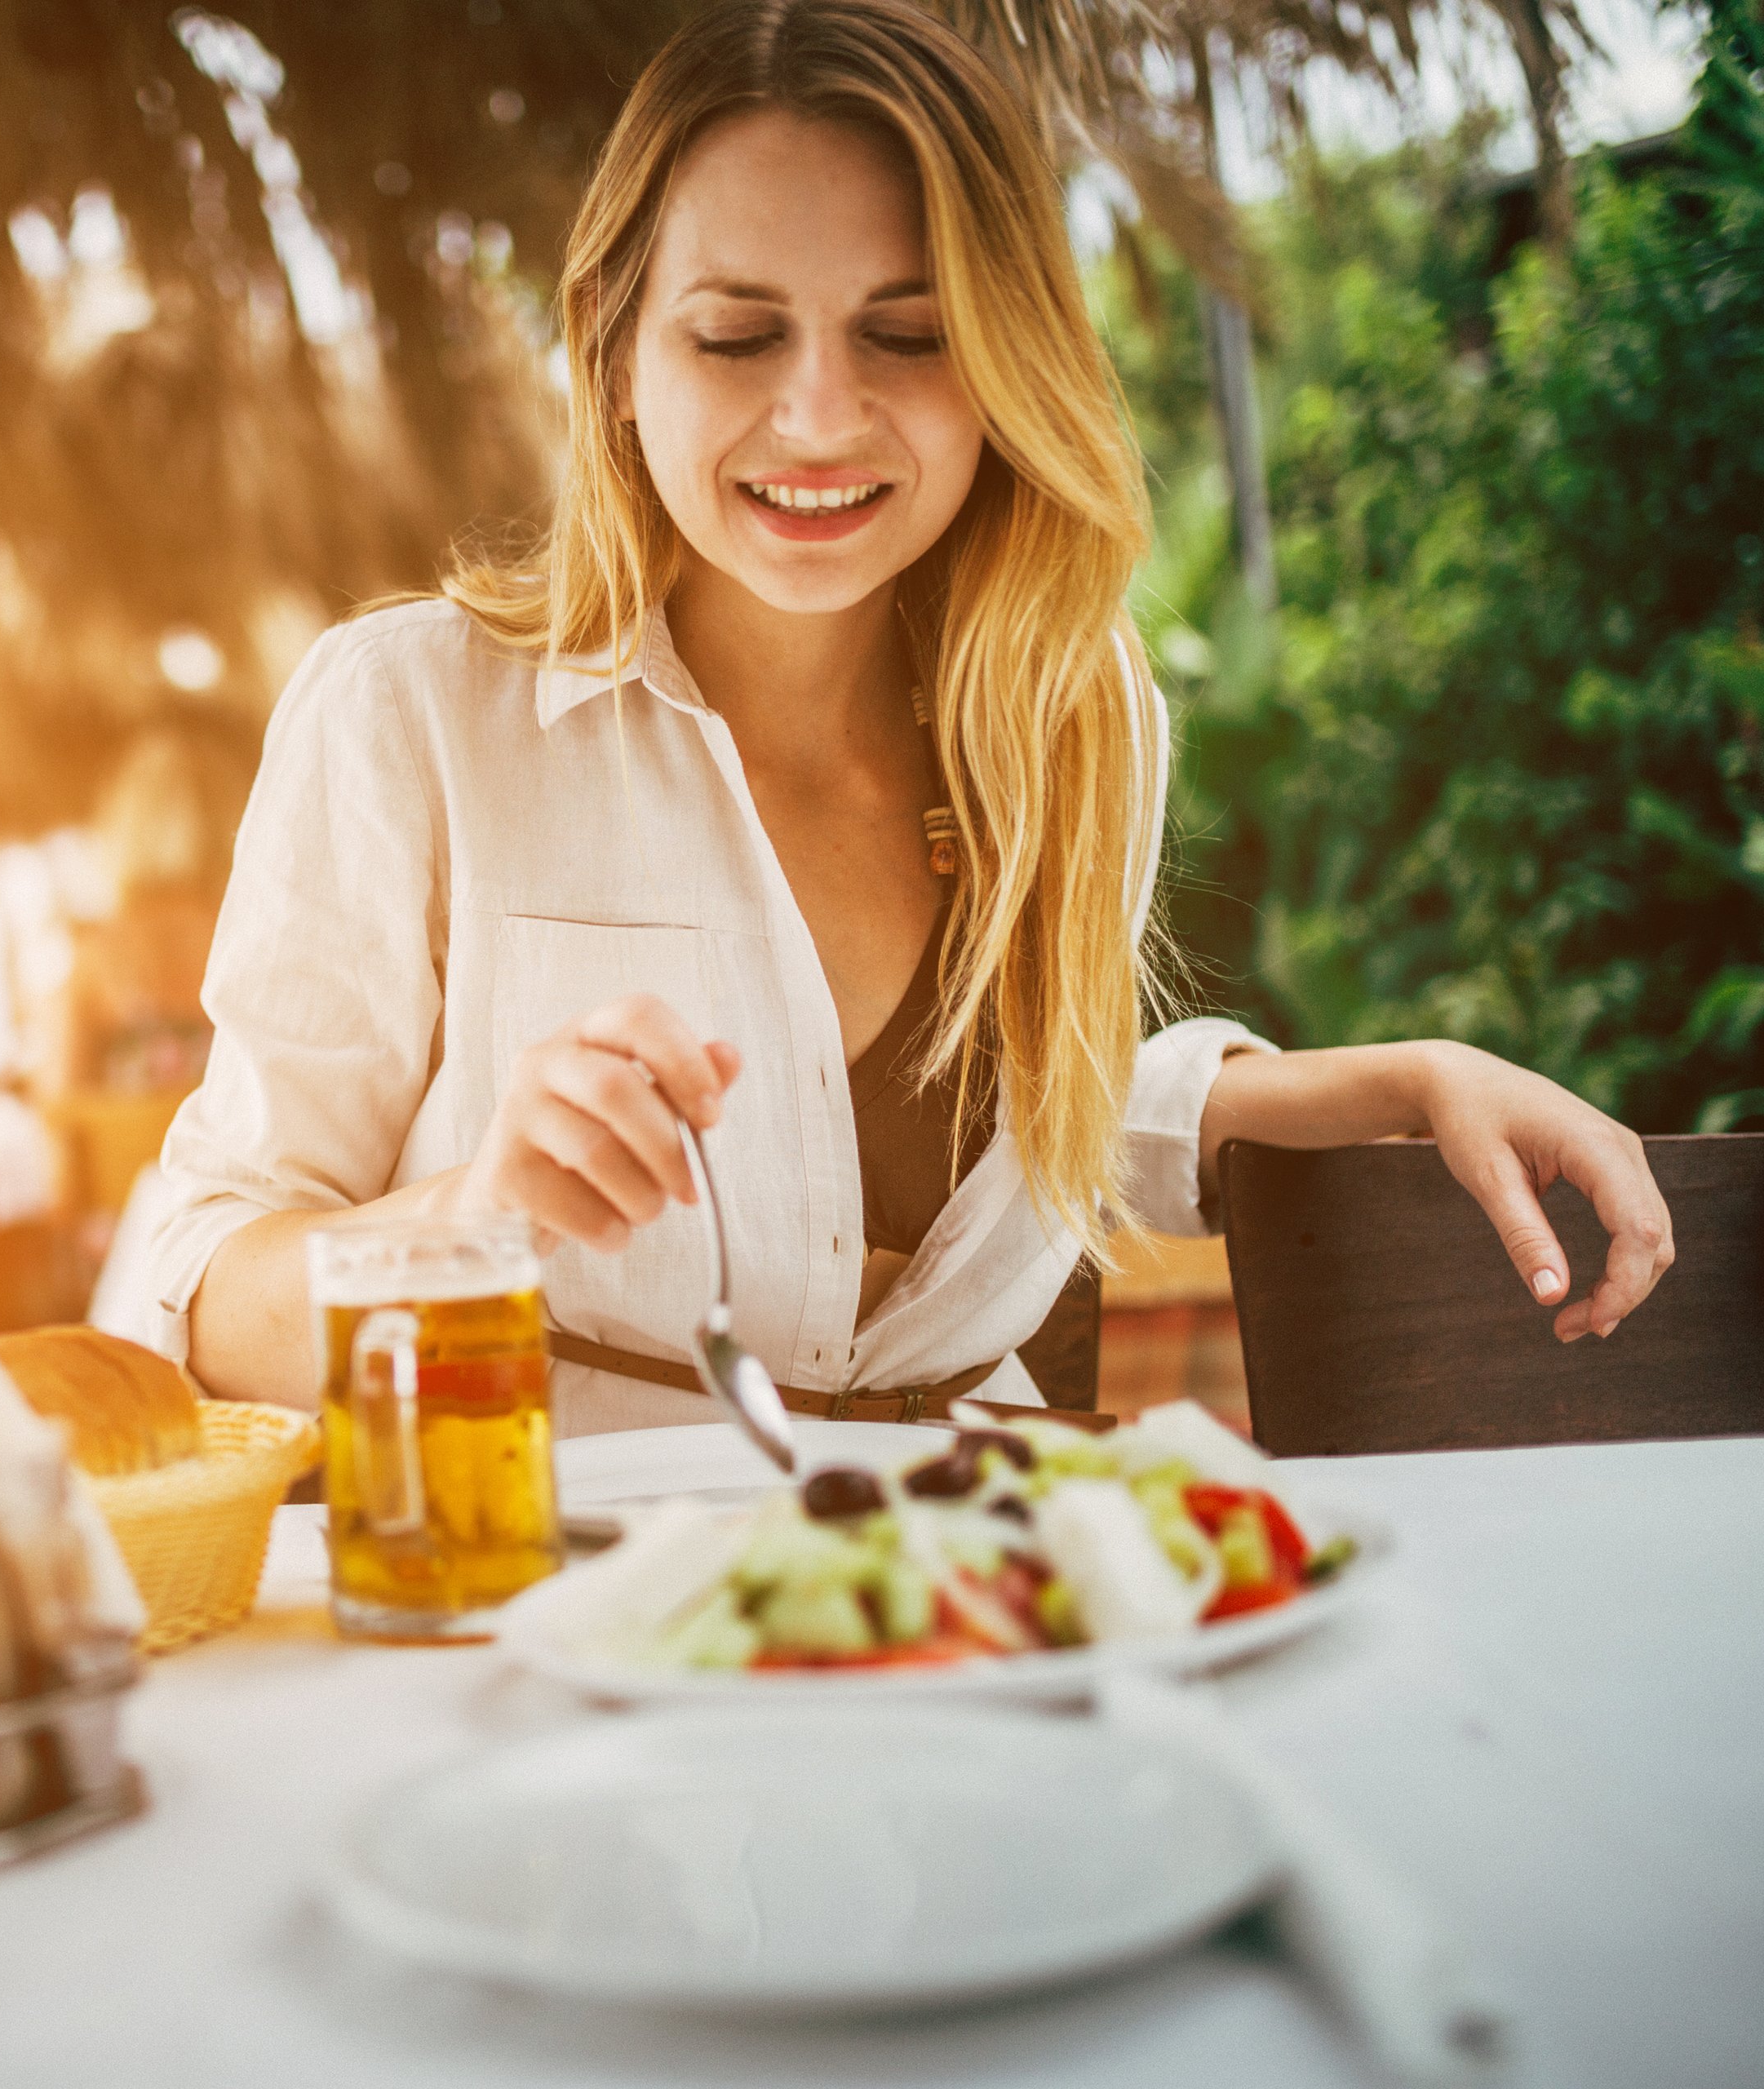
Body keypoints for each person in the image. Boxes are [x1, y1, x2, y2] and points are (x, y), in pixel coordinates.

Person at [145, 0, 1674, 1435]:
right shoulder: (411, 717)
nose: (818, 418)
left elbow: (1014, 1119)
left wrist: (1393, 1082)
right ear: (612, 345)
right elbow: (205, 1292)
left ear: (1005, 361)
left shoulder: (1078, 717)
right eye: (738, 336)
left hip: (975, 1594)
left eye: (911, 334)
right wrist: (469, 1217)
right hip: (568, 1633)